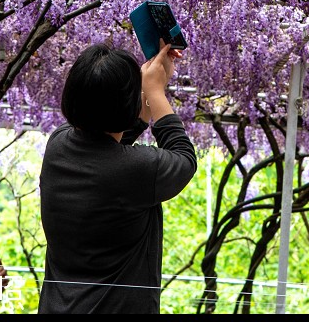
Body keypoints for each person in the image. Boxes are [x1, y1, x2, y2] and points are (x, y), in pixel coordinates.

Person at [38, 41, 197, 314]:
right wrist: (155, 92)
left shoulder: (58, 145)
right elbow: (184, 159)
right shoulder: (134, 170)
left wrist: (143, 90)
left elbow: (112, 140)